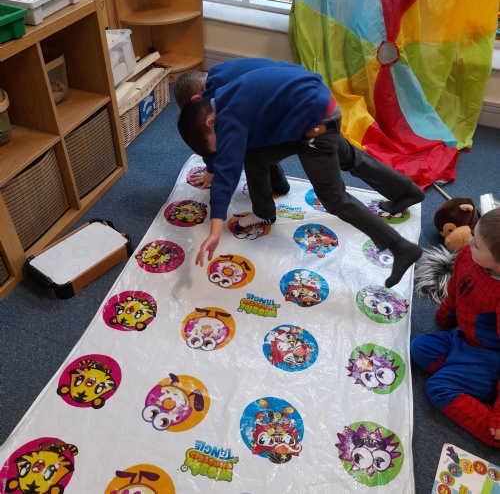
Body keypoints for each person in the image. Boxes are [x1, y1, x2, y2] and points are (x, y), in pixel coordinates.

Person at [177, 64, 424, 288]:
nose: (224, 148)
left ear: (211, 122)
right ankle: (406, 191)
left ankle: (400, 247)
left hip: (314, 124)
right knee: (263, 155)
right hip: (313, 103)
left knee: (333, 198)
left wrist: (215, 229)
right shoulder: (222, 90)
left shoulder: (228, 119)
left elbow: (227, 173)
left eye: (218, 144)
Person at [411, 208, 500, 447]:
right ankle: (463, 375)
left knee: (437, 388)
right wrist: (445, 316)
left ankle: (493, 432)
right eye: (473, 234)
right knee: (418, 348)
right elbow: (456, 288)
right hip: (465, 340)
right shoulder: (468, 255)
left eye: (477, 244)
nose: (468, 242)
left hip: (492, 359)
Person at [174, 58, 305, 194]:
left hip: (293, 112)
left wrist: (211, 171)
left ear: (197, 99)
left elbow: (208, 138)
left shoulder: (217, 96)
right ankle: (279, 184)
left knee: (249, 151)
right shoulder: (218, 72)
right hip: (299, 81)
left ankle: (268, 194)